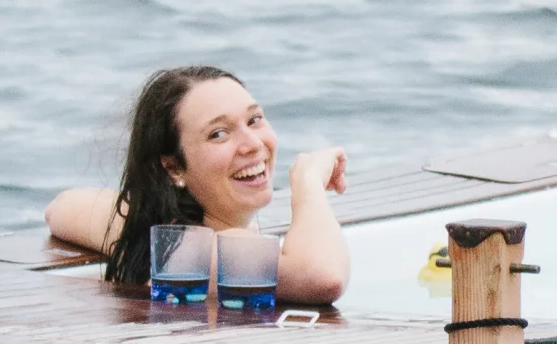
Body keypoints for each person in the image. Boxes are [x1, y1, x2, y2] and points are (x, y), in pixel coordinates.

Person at [46, 65, 350, 302]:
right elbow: (325, 277)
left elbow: (60, 208)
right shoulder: (215, 249)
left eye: (254, 120)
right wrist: (307, 184)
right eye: (218, 134)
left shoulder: (166, 238)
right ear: (173, 167)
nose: (252, 144)